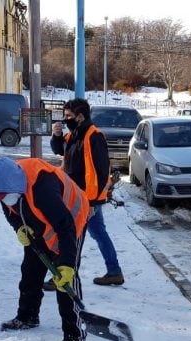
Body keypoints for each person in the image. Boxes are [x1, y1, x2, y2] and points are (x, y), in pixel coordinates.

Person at [0, 156, 90, 341]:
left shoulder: (43, 188)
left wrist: (66, 263)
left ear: (15, 186)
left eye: (3, 195)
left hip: (72, 219)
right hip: (40, 219)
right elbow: (9, 211)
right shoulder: (5, 187)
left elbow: (65, 227)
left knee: (64, 279)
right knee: (31, 270)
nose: (2, 199)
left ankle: (74, 336)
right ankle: (27, 317)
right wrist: (19, 228)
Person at [49, 98, 125, 287]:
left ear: (80, 117)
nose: (65, 120)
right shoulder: (74, 134)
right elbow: (60, 150)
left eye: (69, 116)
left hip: (85, 199)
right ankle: (114, 271)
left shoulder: (93, 136)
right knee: (98, 233)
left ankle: (64, 276)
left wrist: (90, 202)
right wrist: (56, 136)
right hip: (78, 196)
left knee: (71, 237)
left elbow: (100, 171)